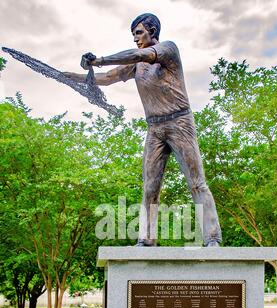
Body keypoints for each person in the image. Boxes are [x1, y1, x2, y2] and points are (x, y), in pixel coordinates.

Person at [65, 13, 222, 247]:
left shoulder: (168, 49)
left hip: (180, 123)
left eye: (138, 33)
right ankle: (147, 239)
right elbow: (107, 78)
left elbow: (140, 54)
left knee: (197, 182)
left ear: (153, 31)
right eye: (134, 35)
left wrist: (99, 59)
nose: (136, 39)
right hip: (155, 128)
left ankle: (212, 238)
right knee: (149, 187)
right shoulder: (136, 65)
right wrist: (70, 77)